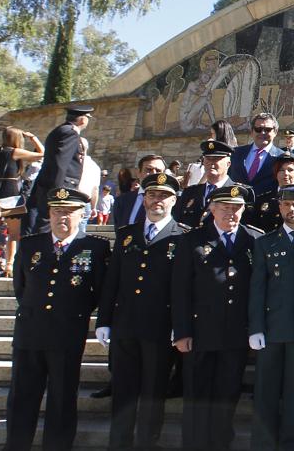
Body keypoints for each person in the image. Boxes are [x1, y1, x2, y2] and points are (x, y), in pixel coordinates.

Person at [4, 187, 109, 451]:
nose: (62, 217)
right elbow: (21, 287)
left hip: (67, 333)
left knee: (62, 398)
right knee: (21, 396)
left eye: (69, 212)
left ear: (82, 214)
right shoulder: (30, 245)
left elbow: (99, 291)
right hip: (30, 332)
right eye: (57, 211)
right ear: (49, 213)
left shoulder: (95, 247)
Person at [96, 172, 191, 451]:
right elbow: (111, 281)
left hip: (160, 329)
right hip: (125, 326)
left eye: (163, 196)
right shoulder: (127, 235)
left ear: (174, 201)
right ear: (144, 198)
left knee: (153, 392)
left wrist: (181, 326)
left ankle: (147, 443)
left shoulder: (183, 237)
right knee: (123, 392)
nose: (157, 200)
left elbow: (183, 289)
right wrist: (103, 321)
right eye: (152, 195)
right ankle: (119, 443)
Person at [172, 183, 263, 451]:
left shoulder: (253, 240)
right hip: (200, 332)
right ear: (212, 209)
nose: (231, 214)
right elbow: (180, 289)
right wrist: (182, 331)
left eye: (237, 209)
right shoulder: (192, 240)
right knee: (197, 395)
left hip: (235, 333)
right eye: (225, 208)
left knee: (227, 395)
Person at [248, 184, 294, 451]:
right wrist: (255, 328)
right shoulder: (265, 242)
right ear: (279, 207)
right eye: (286, 204)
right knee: (266, 392)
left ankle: (292, 444)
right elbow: (257, 289)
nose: (291, 209)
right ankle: (263, 444)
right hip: (272, 329)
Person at [0, 126, 44, 275]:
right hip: (11, 191)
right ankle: (9, 265)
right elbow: (42, 154)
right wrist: (33, 137)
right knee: (14, 232)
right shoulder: (15, 152)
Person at [24, 103, 91, 237]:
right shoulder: (69, 133)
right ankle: (41, 255)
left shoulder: (61, 130)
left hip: (53, 186)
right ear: (83, 119)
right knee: (50, 226)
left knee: (49, 226)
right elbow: (61, 163)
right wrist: (57, 192)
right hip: (60, 187)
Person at [174, 140, 236, 228]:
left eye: (216, 159)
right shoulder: (190, 192)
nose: (211, 162)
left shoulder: (237, 193)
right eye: (208, 159)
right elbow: (177, 221)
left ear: (228, 164)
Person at [230, 112, 284, 198]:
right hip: (236, 207)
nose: (262, 133)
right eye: (258, 129)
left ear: (275, 132)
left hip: (266, 208)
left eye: (267, 129)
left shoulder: (282, 158)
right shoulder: (236, 154)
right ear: (251, 132)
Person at [108, 154, 167, 229]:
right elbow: (119, 231)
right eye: (149, 169)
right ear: (138, 172)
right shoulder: (122, 200)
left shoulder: (172, 202)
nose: (154, 173)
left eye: (158, 171)